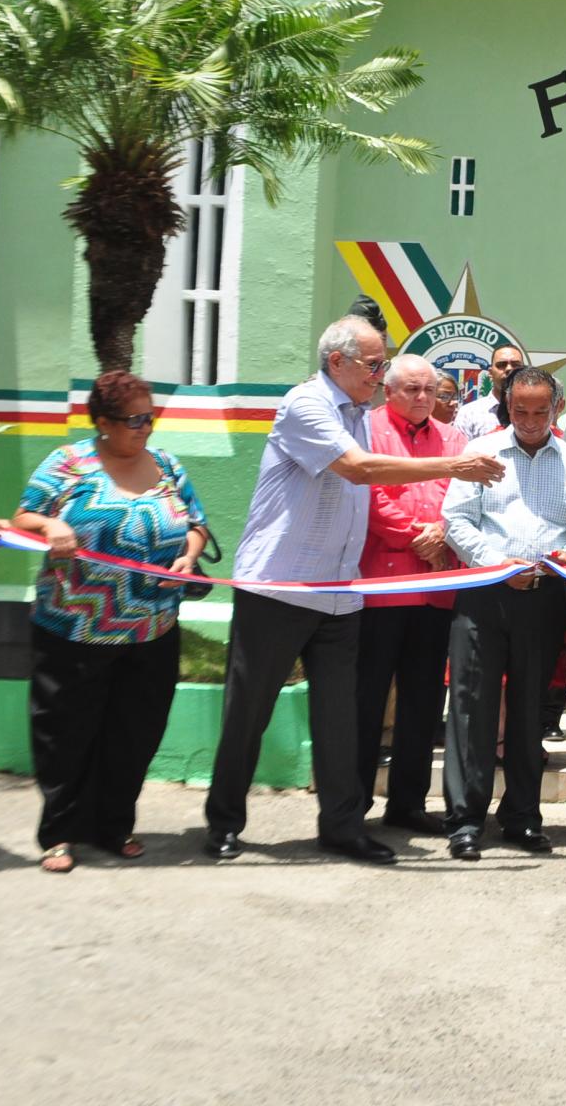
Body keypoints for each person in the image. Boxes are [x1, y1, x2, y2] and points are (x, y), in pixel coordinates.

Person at [203, 316, 504, 865]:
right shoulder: (305, 405)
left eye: (382, 362)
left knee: (342, 718)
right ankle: (224, 820)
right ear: (336, 361)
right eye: (374, 364)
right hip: (280, 585)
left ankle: (342, 826)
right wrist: (455, 463)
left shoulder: (358, 415)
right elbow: (358, 471)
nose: (379, 373)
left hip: (340, 590)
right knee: (250, 711)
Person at [12, 371, 207, 873]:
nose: (146, 427)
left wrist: (188, 556)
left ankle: (114, 825)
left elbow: (196, 524)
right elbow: (22, 518)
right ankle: (59, 833)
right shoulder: (69, 463)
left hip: (152, 626)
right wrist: (53, 524)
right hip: (76, 626)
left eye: (151, 417)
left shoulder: (166, 464)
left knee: (135, 732)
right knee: (68, 733)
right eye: (135, 419)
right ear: (102, 422)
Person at [440, 367, 566, 861]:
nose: (528, 420)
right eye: (518, 410)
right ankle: (465, 819)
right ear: (506, 407)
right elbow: (455, 520)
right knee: (472, 708)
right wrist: (494, 565)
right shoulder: (479, 455)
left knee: (530, 711)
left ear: (557, 408)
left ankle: (523, 817)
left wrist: (565, 554)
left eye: (539, 411)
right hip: (483, 592)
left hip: (543, 597)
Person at [353, 355, 460, 837]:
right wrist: (420, 536)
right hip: (381, 587)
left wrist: (444, 533)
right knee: (366, 701)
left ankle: (408, 803)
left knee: (421, 702)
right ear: (387, 391)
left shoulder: (453, 440)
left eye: (429, 390)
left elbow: (461, 499)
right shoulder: (367, 431)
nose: (423, 398)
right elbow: (371, 498)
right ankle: (349, 804)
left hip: (436, 592)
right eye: (412, 390)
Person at [453, 343, 525, 440]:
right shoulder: (469, 413)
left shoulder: (538, 412)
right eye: (501, 365)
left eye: (516, 365)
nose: (509, 369)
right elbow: (460, 453)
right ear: (490, 373)